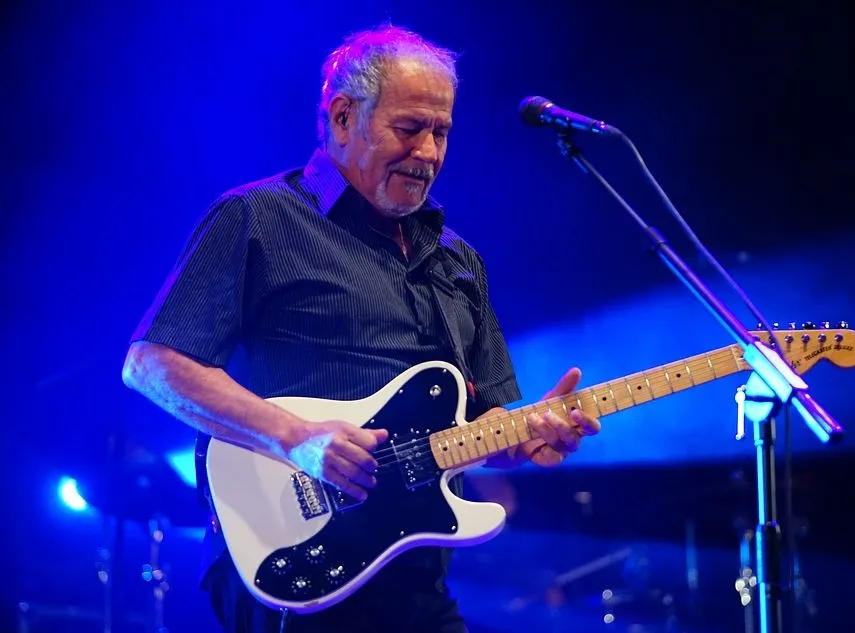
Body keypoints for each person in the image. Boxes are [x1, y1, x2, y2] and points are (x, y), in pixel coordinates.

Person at [121, 24, 601, 633]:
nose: (428, 153)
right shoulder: (258, 217)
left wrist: (529, 438)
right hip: (289, 560)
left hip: (415, 580)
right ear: (344, 117)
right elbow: (152, 364)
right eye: (409, 128)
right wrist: (296, 438)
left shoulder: (458, 263)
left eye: (442, 132)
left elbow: (486, 432)